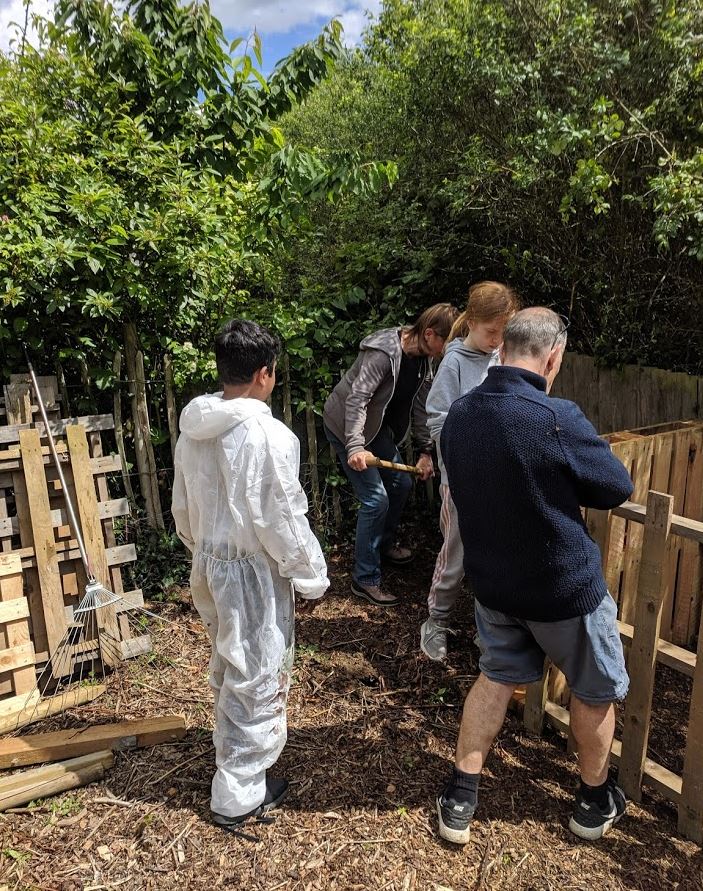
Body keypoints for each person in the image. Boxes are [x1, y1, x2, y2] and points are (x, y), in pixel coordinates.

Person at [436, 307, 633, 844]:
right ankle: (593, 802)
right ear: (553, 356)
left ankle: (460, 796)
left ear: (502, 350)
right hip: (563, 591)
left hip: (495, 586)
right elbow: (616, 486)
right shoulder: (556, 417)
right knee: (594, 692)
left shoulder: (460, 414)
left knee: (496, 677)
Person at [172, 319, 329, 830]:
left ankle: (233, 761)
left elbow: (183, 504)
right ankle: (238, 790)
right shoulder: (267, 435)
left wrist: (200, 549)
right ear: (265, 373)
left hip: (211, 564)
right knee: (257, 672)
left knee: (229, 659)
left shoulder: (194, 426)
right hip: (252, 574)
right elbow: (282, 515)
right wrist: (309, 575)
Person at [323, 303, 459, 607]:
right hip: (346, 425)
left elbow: (423, 407)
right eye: (446, 343)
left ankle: (381, 545)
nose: (447, 351)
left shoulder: (425, 361)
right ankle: (365, 578)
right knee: (375, 498)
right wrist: (355, 446)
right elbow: (357, 399)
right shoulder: (383, 353)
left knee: (402, 484)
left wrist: (426, 451)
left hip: (375, 429)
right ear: (429, 334)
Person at [421, 282, 519, 661]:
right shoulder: (455, 362)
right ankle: (436, 621)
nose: (496, 340)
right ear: (472, 322)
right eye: (490, 331)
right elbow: (437, 419)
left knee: (492, 555)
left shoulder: (502, 357)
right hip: (460, 482)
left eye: (502, 333)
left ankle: (489, 630)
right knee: (456, 554)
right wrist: (463, 454)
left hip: (496, 481)